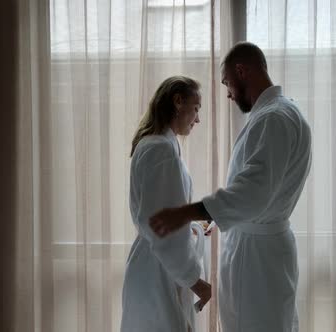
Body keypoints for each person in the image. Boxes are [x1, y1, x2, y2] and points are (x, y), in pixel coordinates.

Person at [149, 42, 312, 332]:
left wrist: (187, 213)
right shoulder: (279, 113)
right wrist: (221, 214)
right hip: (259, 246)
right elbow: (263, 190)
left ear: (241, 71)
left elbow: (254, 191)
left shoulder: (274, 118)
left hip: (257, 257)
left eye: (227, 83)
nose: (228, 93)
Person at [121, 76, 211, 332]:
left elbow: (160, 217)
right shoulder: (161, 150)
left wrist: (191, 224)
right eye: (196, 108)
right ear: (178, 101)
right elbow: (163, 229)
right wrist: (197, 283)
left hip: (155, 266)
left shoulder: (155, 146)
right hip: (157, 272)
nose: (198, 118)